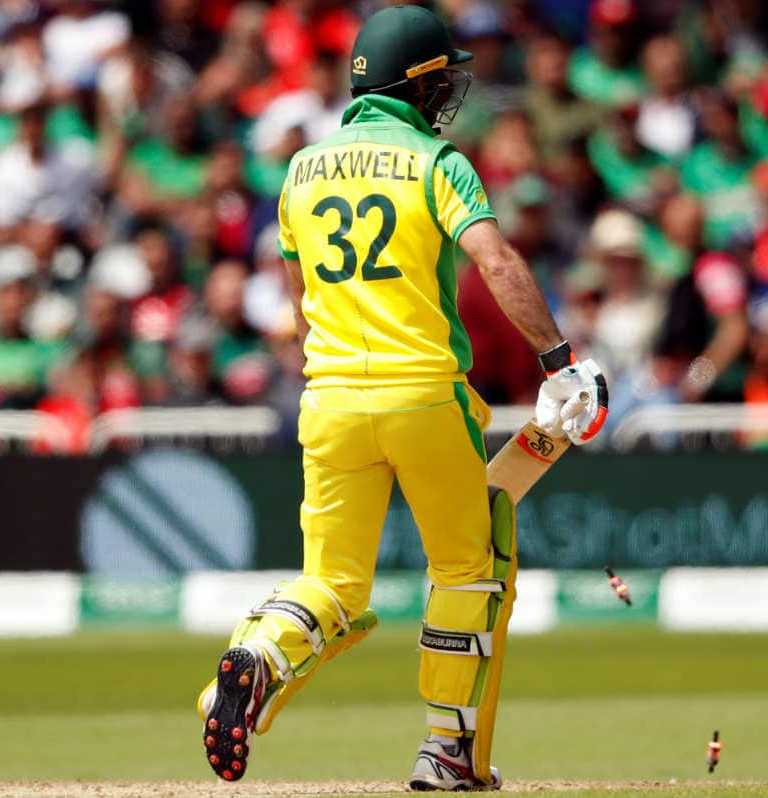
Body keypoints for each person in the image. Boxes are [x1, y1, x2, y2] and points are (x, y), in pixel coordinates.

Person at [193, 7, 607, 791]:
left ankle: (258, 655)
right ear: (415, 84)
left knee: (332, 582)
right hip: (422, 395)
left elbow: (302, 300)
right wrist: (560, 361)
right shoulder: (435, 160)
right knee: (467, 568)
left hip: (330, 399)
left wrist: (333, 365)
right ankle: (448, 752)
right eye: (441, 79)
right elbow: (497, 262)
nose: (449, 92)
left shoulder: (299, 170)